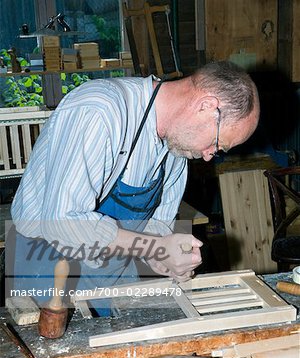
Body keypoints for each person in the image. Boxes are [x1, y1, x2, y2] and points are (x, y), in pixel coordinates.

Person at [9, 60, 260, 315]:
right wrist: (156, 247)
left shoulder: (176, 148)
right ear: (206, 107)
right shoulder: (99, 111)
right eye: (217, 145)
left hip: (113, 270)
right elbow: (62, 223)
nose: (208, 156)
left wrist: (167, 260)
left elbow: (154, 234)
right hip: (50, 265)